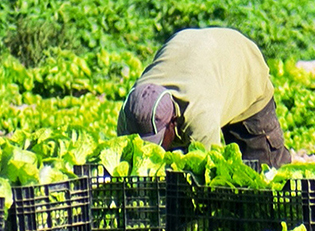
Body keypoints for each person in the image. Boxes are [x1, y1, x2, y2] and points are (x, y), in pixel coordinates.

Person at [119, 26, 292, 167]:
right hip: (189, 47)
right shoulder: (130, 111)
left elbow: (209, 172)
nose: (150, 149)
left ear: (172, 123)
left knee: (263, 170)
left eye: (157, 141)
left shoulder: (200, 114)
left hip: (240, 62)